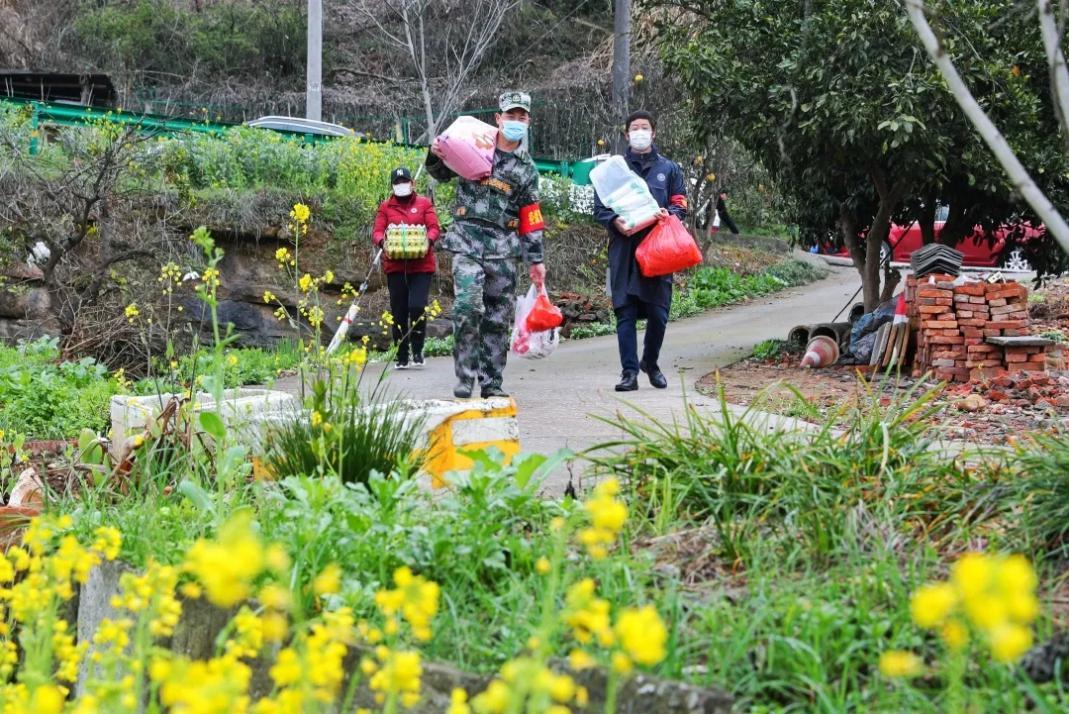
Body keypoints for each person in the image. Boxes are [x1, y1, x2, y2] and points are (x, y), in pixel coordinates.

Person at [425, 91, 547, 399]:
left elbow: (531, 217)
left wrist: (536, 261)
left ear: (528, 121)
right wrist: (434, 152)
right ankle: (465, 377)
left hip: (503, 248)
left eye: (522, 117)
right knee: (468, 306)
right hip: (467, 240)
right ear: (498, 118)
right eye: (511, 116)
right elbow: (440, 173)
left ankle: (492, 382)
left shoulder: (526, 169)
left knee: (497, 317)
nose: (516, 122)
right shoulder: (475, 144)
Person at [594, 110, 687, 392]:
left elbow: (680, 205)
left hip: (658, 248)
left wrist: (667, 215)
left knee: (659, 313)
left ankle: (651, 363)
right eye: (634, 128)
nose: (640, 132)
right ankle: (629, 373)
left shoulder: (669, 169)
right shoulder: (612, 170)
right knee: (625, 312)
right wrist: (614, 222)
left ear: (654, 133)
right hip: (623, 250)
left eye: (645, 127)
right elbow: (600, 209)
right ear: (626, 134)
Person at [371, 166, 441, 369]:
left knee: (417, 306)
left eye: (404, 182)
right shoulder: (386, 207)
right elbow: (377, 231)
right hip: (395, 266)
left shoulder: (424, 204)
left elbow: (434, 227)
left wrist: (428, 240)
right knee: (399, 310)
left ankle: (417, 350)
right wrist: (383, 243)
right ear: (393, 186)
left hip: (421, 265)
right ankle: (401, 355)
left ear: (412, 183)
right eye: (397, 183)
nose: (401, 186)